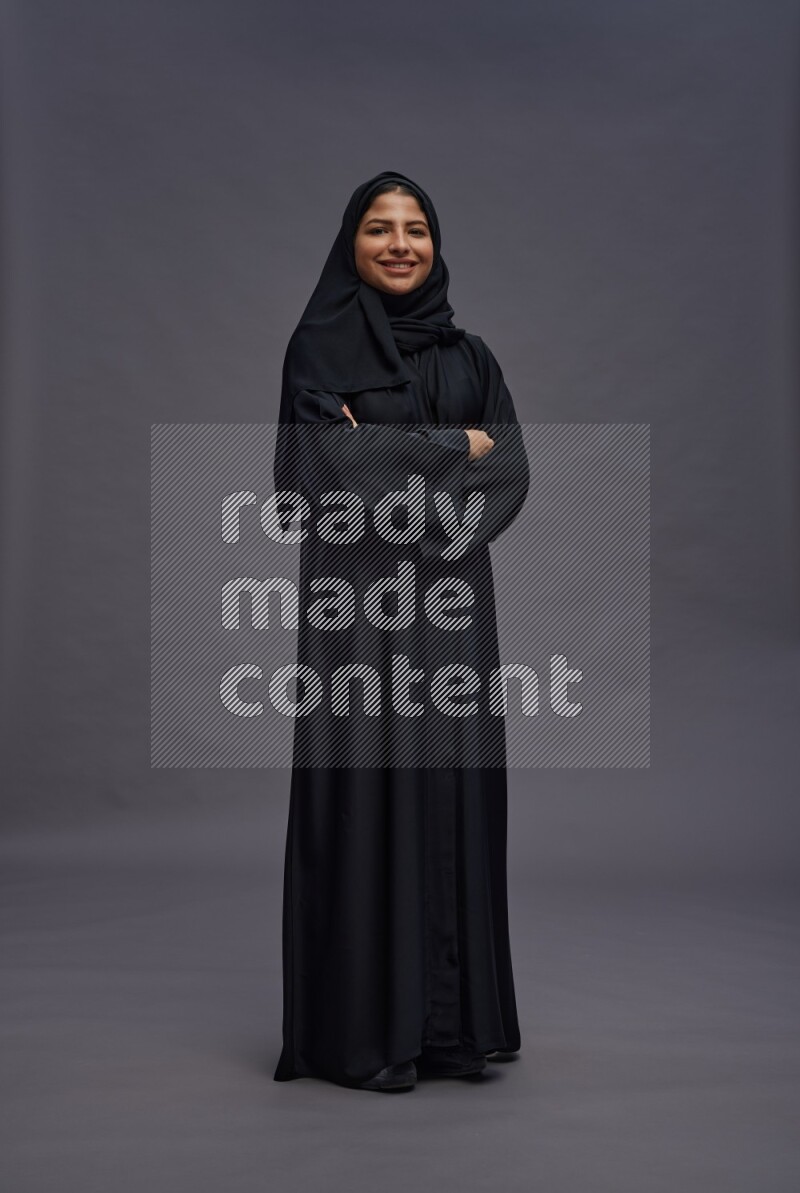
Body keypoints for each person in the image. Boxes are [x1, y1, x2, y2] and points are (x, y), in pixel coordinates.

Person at [272, 170, 530, 1092]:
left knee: (451, 790)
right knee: (369, 792)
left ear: (435, 244)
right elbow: (317, 474)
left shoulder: (473, 358)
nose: (399, 244)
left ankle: (454, 1029)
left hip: (453, 614)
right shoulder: (318, 351)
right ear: (351, 244)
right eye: (378, 228)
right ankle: (366, 1036)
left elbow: (512, 473)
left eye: (415, 228)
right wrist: (452, 447)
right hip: (359, 616)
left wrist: (390, 464)